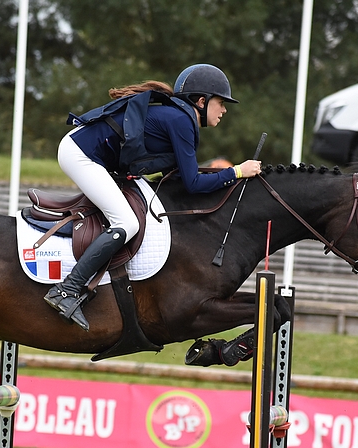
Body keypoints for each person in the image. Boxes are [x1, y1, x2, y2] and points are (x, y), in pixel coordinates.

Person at [44, 63, 262, 331]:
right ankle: (67, 290)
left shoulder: (179, 117)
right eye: (221, 103)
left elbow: (179, 179)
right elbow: (192, 184)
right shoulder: (182, 121)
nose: (224, 110)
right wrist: (238, 171)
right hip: (80, 154)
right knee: (126, 223)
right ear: (202, 101)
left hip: (88, 152)